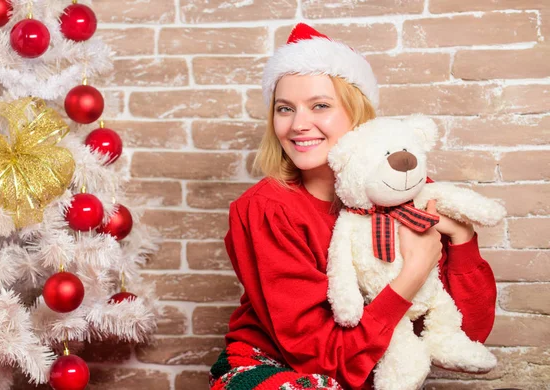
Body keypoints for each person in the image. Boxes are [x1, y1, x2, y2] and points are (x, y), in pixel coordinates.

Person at [209, 23, 496, 390]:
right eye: (285, 109)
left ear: (357, 113)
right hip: (278, 366)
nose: (298, 125)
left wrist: (461, 238)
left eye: (320, 106)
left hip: (374, 367)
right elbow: (315, 356)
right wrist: (412, 275)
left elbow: (468, 334)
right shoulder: (266, 208)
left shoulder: (406, 191)